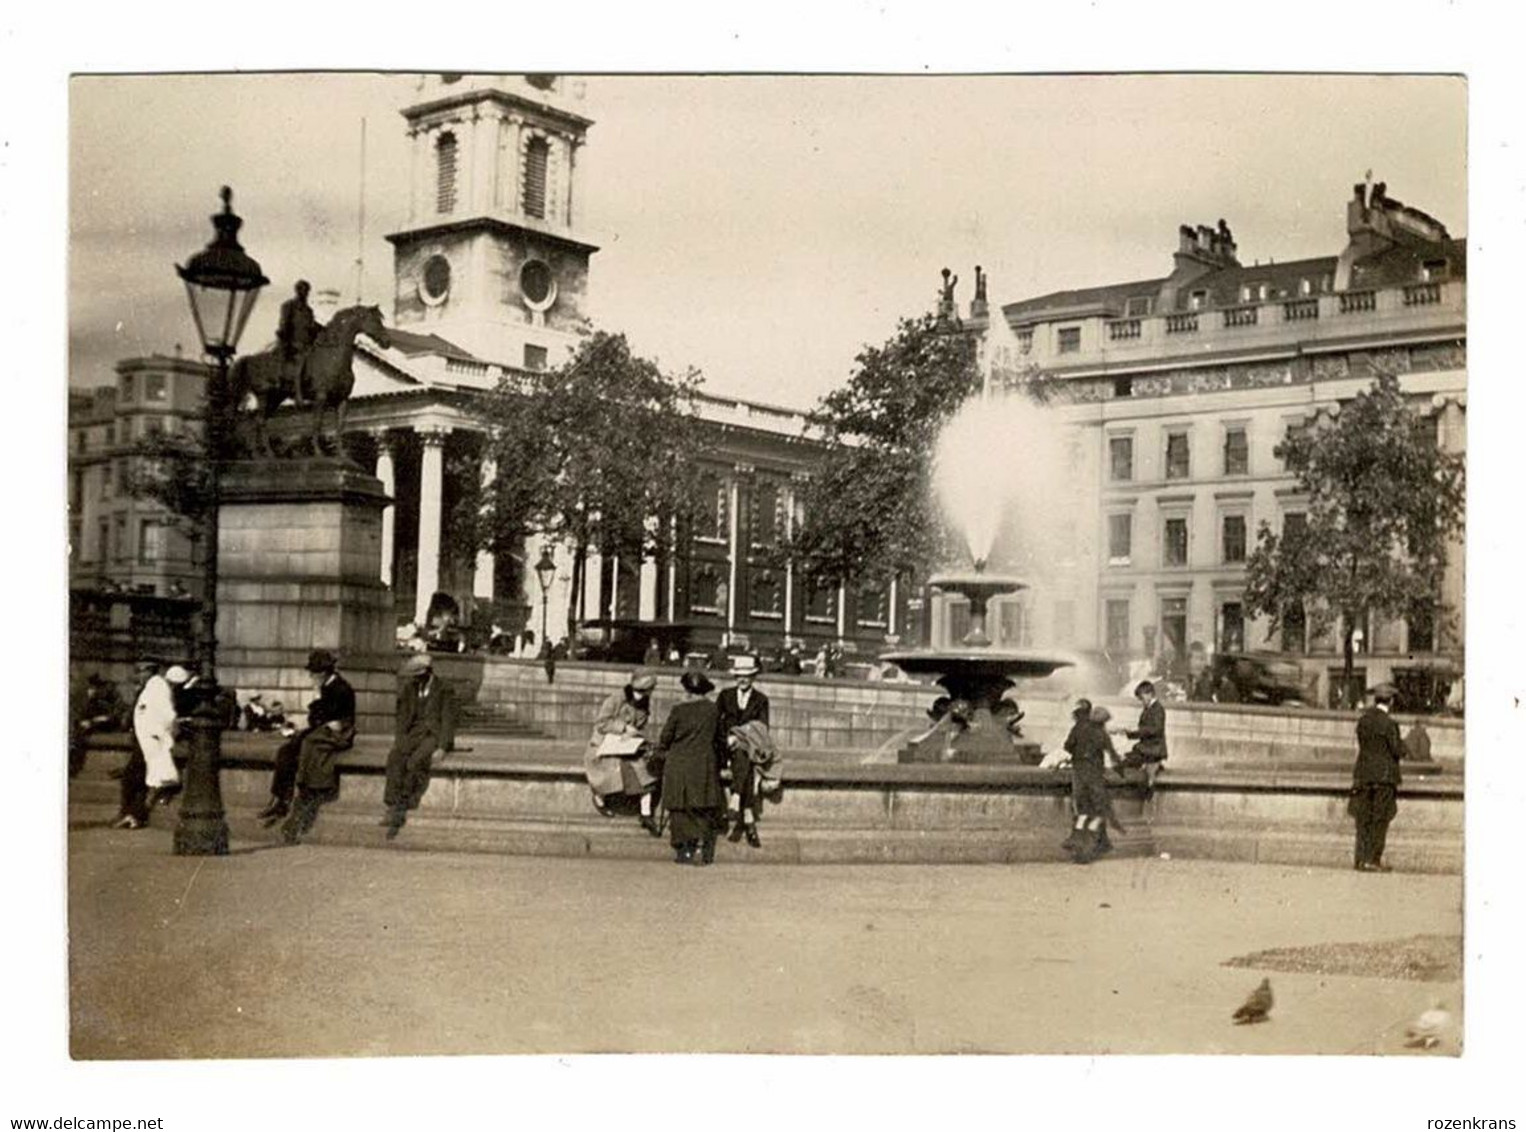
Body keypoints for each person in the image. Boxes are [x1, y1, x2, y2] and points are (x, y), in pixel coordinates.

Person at [256, 649, 357, 844]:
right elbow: (317, 716)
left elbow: (328, 716)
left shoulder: (341, 688)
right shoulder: (327, 686)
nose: (311, 676)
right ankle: (279, 798)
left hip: (335, 734)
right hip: (322, 730)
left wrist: (318, 705)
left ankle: (293, 802)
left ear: (324, 672)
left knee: (305, 749)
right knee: (285, 751)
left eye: (314, 673)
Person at [381, 653, 458, 839]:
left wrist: (442, 747)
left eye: (418, 675)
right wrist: (400, 740)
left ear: (427, 672)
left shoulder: (444, 689)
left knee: (415, 762)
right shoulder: (410, 688)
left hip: (433, 733)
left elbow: (448, 719)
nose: (415, 679)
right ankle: (391, 804)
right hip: (413, 731)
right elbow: (402, 717)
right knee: (395, 757)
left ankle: (402, 804)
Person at [656, 670, 727, 865]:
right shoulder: (713, 711)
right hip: (703, 764)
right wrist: (722, 762)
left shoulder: (678, 710)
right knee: (700, 806)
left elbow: (665, 739)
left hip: (678, 764)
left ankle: (683, 850)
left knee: (678, 808)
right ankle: (699, 847)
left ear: (687, 691)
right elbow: (720, 741)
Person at [584, 669, 661, 834]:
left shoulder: (644, 703)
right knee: (612, 771)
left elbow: (640, 725)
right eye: (642, 691)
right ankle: (600, 798)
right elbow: (601, 723)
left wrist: (635, 735)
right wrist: (624, 728)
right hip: (605, 745)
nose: (643, 696)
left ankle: (646, 813)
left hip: (626, 745)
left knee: (645, 770)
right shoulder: (615, 699)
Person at [1350, 682, 1405, 872]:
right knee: (1380, 819)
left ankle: (1360, 859)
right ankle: (1373, 860)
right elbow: (1397, 749)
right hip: (1384, 777)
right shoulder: (1390, 724)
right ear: (1390, 701)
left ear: (1376, 700)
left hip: (1364, 775)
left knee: (1363, 819)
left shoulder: (1363, 721)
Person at [717, 655, 771, 847]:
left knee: (744, 754)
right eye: (739, 675)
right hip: (725, 748)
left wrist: (739, 737)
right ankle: (748, 817)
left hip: (748, 747)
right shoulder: (725, 696)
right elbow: (717, 724)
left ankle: (737, 797)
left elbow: (762, 729)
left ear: (753, 677)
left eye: (747, 676)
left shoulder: (761, 700)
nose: (742, 679)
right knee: (746, 765)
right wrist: (727, 739)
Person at [1063, 702, 1123, 864]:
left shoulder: (1079, 729)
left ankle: (1076, 840)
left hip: (1079, 775)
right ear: (1104, 722)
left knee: (1082, 811)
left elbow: (1067, 746)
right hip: (1095, 777)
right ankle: (1088, 849)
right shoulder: (1102, 734)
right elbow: (1113, 756)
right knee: (1097, 814)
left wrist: (1077, 754)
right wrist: (1122, 771)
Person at [113, 659, 161, 829]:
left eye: (142, 672)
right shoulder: (145, 689)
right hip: (140, 740)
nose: (139, 676)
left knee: (131, 777)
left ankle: (131, 814)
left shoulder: (156, 690)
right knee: (137, 779)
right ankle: (133, 814)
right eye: (138, 672)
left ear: (150, 672)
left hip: (148, 741)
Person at [134, 664, 187, 810]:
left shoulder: (154, 685)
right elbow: (168, 716)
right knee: (162, 771)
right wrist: (176, 725)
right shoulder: (163, 690)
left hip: (145, 732)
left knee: (155, 770)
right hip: (155, 735)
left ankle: (150, 803)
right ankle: (150, 803)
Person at [1118, 680, 1169, 793]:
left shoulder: (1157, 709)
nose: (1142, 701)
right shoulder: (1150, 708)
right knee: (1126, 760)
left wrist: (1136, 732)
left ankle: (1144, 786)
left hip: (1153, 750)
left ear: (1150, 694)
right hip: (1148, 748)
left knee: (1125, 763)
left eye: (1142, 698)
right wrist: (1131, 733)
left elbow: (1156, 729)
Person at [276, 280, 318, 401]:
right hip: (292, 343)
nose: (305, 293)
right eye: (303, 290)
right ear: (298, 291)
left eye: (307, 291)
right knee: (301, 361)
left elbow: (312, 328)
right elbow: (284, 325)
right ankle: (298, 392)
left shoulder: (308, 311)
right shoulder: (289, 306)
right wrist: (286, 342)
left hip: (308, 344)